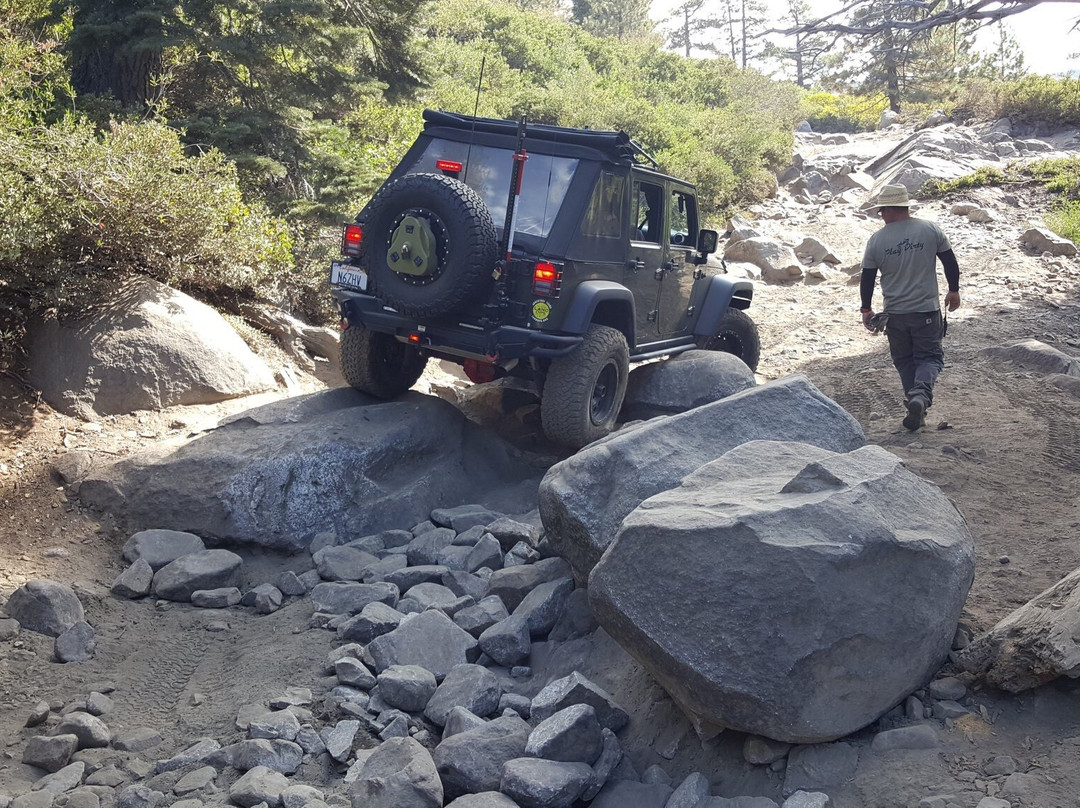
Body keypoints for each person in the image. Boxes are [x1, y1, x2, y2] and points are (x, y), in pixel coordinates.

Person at [860, 184, 961, 431]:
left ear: (889, 209)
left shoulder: (876, 240)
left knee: (904, 360)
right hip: (926, 310)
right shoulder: (930, 229)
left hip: (894, 315)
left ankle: (916, 406)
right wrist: (953, 290)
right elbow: (950, 261)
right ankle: (920, 397)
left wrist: (866, 309)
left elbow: (867, 278)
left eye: (881, 211)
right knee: (929, 358)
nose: (881, 216)